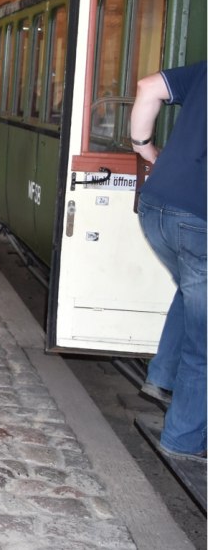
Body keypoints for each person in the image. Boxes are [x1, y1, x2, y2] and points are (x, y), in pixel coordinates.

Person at [130, 60, 206, 461]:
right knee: (205, 340)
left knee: (194, 293)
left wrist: (144, 148)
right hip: (201, 220)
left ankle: (161, 376)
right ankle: (184, 439)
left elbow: (147, 87)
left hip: (157, 206)